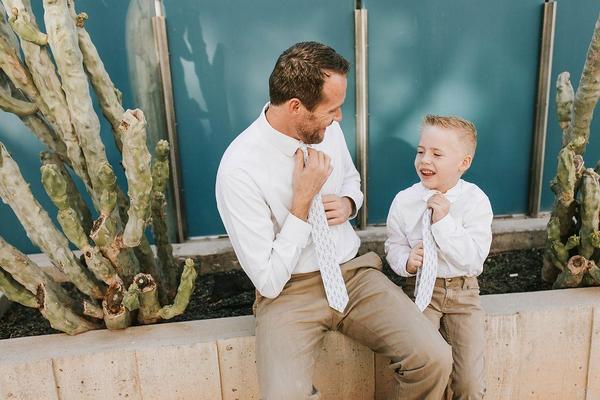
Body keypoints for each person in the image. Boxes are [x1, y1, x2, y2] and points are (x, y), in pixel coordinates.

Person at [216, 41, 452, 400]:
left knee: (434, 358)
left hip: (353, 274)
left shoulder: (325, 130)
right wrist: (301, 203)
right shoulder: (239, 170)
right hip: (289, 292)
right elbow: (267, 279)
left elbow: (351, 181)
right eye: (333, 109)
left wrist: (348, 203)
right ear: (296, 107)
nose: (339, 117)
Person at [385, 114, 493, 399]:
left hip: (463, 293)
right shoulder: (404, 201)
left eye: (437, 154)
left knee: (468, 380)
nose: (425, 160)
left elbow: (474, 259)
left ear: (463, 163)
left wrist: (442, 223)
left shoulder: (475, 201)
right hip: (419, 290)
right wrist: (406, 261)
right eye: (421, 151)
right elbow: (392, 245)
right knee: (422, 367)